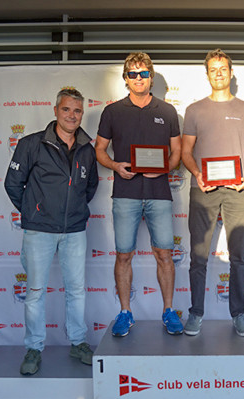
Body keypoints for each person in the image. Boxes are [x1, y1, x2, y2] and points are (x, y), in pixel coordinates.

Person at [4, 88, 99, 375]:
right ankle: (34, 348)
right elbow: (12, 183)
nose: (72, 115)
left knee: (76, 290)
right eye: (66, 109)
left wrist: (73, 212)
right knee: (35, 292)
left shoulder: (87, 149)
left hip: (74, 231)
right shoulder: (31, 144)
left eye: (77, 111)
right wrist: (35, 212)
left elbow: (90, 187)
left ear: (82, 114)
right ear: (56, 110)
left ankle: (78, 342)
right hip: (39, 231)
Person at [94, 52, 183, 337]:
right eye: (132, 74)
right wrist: (115, 166)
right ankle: (125, 312)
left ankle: (169, 311)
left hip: (159, 192)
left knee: (165, 254)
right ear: (126, 78)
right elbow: (99, 150)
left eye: (143, 73)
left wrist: (165, 168)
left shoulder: (167, 111)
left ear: (151, 77)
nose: (138, 78)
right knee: (123, 255)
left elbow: (177, 152)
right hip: (126, 192)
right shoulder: (112, 112)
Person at [180, 48, 244, 337]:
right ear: (207, 74)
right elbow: (186, 152)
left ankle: (238, 313)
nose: (218, 74)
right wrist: (198, 174)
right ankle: (195, 313)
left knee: (239, 257)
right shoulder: (194, 110)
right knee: (198, 256)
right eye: (213, 69)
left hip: (239, 191)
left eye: (223, 69)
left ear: (231, 72)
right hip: (204, 190)